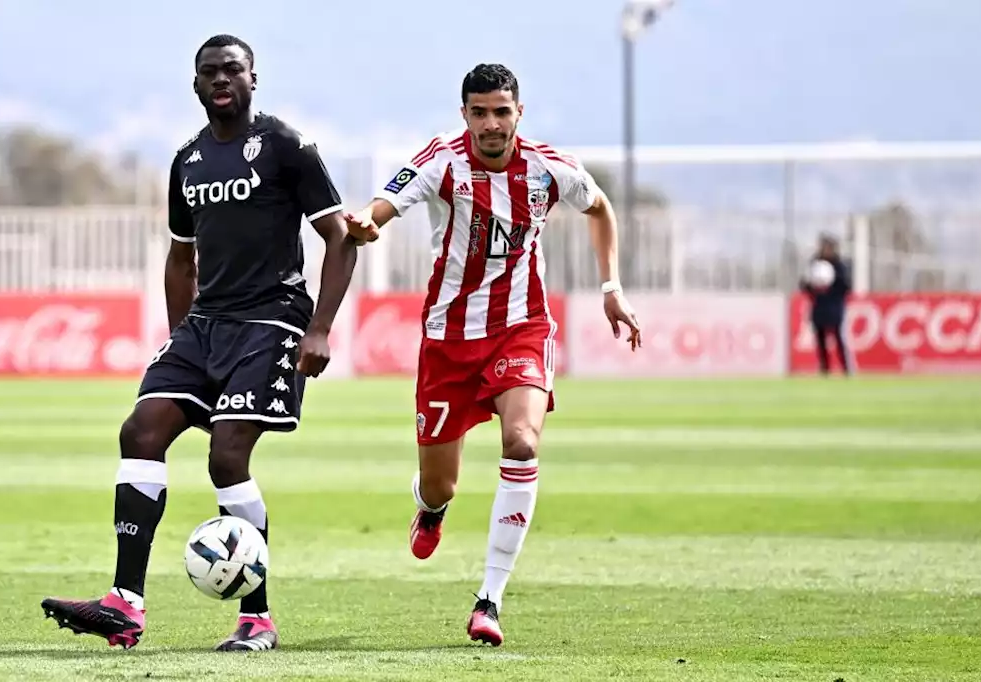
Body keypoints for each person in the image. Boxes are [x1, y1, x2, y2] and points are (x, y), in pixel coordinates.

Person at [40, 34, 359, 653]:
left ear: (253, 79)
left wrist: (320, 327)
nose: (221, 80)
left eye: (232, 70)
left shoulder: (288, 147)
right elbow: (180, 258)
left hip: (272, 323)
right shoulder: (186, 161)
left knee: (226, 454)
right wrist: (178, 335)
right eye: (210, 72)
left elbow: (339, 237)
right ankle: (125, 605)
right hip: (204, 327)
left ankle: (256, 620)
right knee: (141, 430)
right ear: (195, 86)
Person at [343, 63, 641, 647]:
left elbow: (600, 209)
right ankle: (429, 510)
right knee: (440, 485)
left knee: (523, 443)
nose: (490, 124)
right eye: (479, 112)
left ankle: (490, 600)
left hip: (521, 328)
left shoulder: (550, 167)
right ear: (465, 116)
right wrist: (365, 225)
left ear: (518, 114)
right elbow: (386, 202)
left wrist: (612, 289)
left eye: (501, 112)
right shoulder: (442, 160)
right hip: (449, 341)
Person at [801, 235, 853, 375]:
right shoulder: (814, 264)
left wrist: (831, 286)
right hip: (819, 307)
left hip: (834, 307)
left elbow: (846, 287)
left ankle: (846, 369)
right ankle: (825, 369)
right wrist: (813, 286)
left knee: (838, 337)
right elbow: (804, 285)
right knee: (820, 339)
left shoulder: (839, 266)